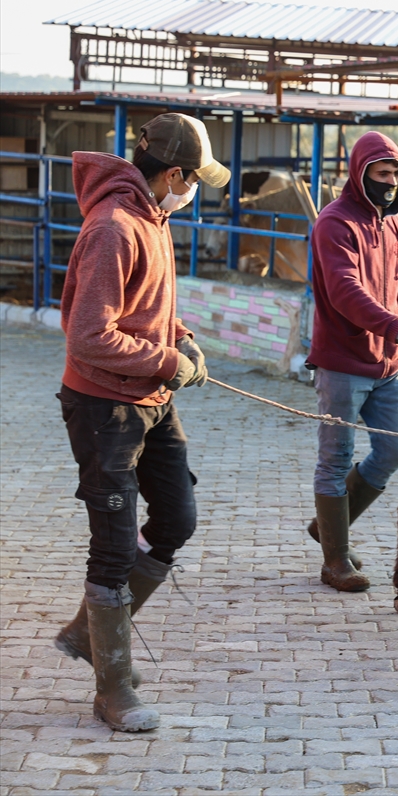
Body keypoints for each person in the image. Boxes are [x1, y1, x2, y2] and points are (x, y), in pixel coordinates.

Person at [54, 113, 229, 732]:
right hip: (104, 405)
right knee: (113, 544)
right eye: (192, 181)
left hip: (151, 399)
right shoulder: (112, 227)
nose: (192, 192)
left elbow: (149, 310)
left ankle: (92, 635)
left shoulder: (155, 219)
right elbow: (87, 336)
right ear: (174, 174)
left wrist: (183, 341)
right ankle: (113, 689)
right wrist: (165, 360)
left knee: (177, 516)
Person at [304, 131, 398, 592]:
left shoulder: (393, 223)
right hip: (341, 362)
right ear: (360, 173)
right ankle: (335, 561)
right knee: (335, 459)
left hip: (388, 365)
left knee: (395, 450)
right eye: (381, 173)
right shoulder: (334, 224)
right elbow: (345, 290)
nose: (389, 181)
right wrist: (394, 327)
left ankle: (328, 525)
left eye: (395, 173)